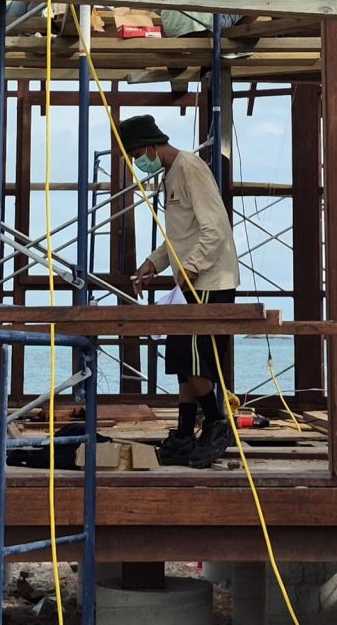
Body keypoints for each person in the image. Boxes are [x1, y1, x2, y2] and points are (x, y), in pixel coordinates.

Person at [120, 113, 243, 468]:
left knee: (190, 358)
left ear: (150, 146)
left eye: (136, 155)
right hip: (192, 282)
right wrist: (153, 263)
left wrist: (190, 268)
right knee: (185, 363)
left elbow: (214, 228)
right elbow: (179, 235)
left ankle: (216, 423)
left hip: (207, 282)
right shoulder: (170, 174)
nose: (138, 163)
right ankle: (185, 433)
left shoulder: (190, 168)